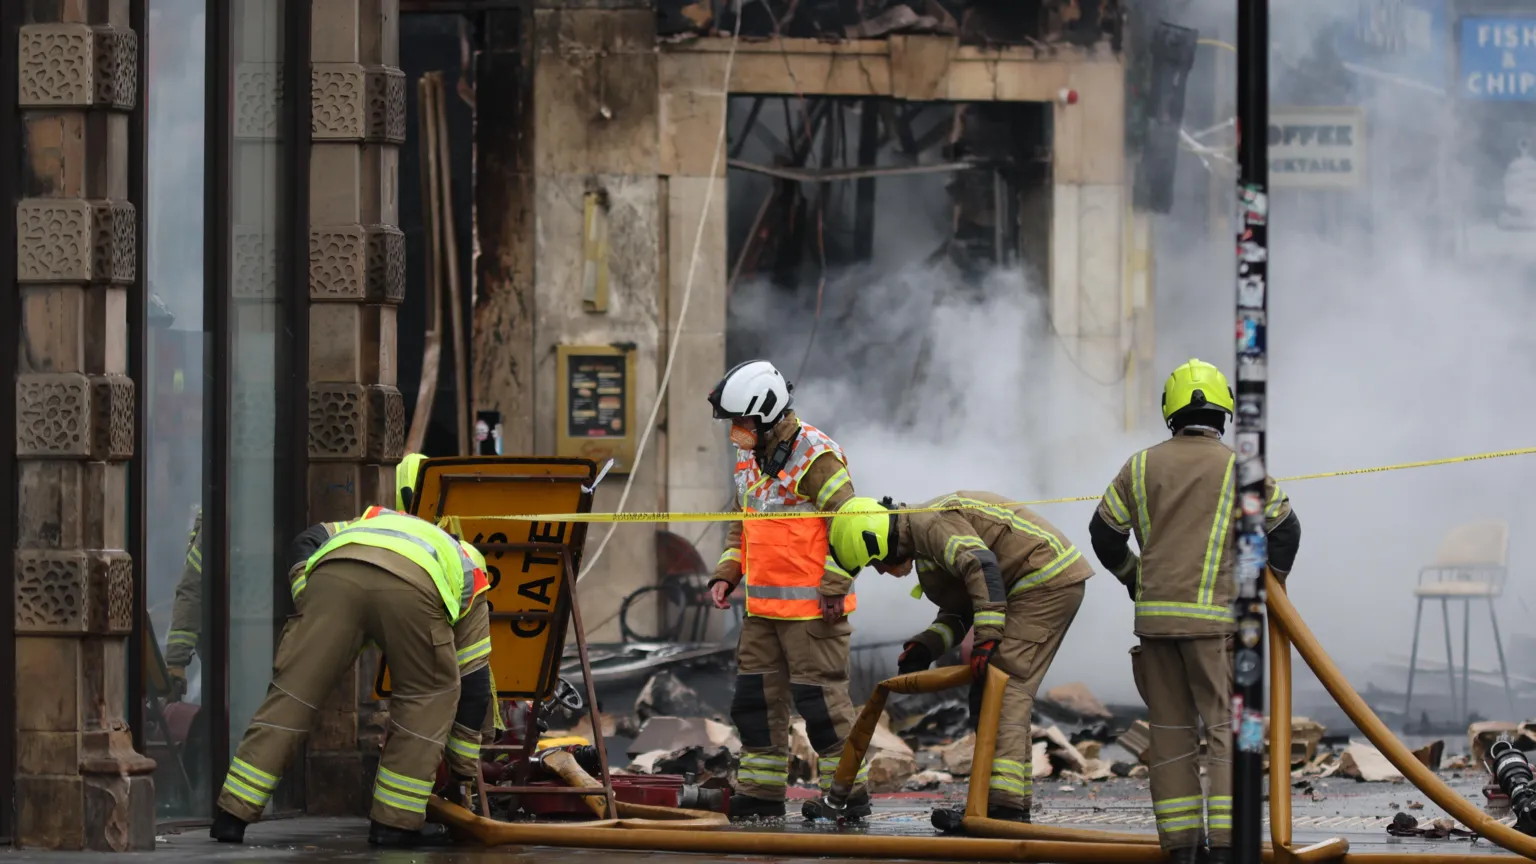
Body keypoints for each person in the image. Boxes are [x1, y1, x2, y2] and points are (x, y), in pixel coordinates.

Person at [1088, 359, 1301, 864]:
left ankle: (1182, 849)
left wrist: (1133, 576)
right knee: (1228, 731)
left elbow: (1103, 533)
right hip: (1216, 627)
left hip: (1156, 626)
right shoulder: (1241, 468)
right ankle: (1227, 847)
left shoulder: (1138, 466)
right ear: (1224, 411)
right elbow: (1286, 530)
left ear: (1171, 411)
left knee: (1170, 736)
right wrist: (1272, 591)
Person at [211, 482, 493, 847]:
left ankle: (232, 815)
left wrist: (307, 600)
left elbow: (305, 541)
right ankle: (393, 824)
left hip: (334, 576)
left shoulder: (374, 518)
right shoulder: (472, 568)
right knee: (428, 696)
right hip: (413, 591)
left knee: (291, 695)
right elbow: (473, 686)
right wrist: (462, 776)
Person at [828, 491, 1092, 823]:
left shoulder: (929, 525)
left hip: (1044, 580)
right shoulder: (923, 545)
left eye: (874, 563)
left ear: (880, 542)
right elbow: (960, 610)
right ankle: (998, 803)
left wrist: (988, 638)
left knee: (1004, 687)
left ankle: (1001, 809)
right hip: (1031, 583)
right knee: (991, 689)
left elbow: (980, 566)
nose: (880, 572)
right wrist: (926, 646)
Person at [704, 359, 869, 821]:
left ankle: (849, 796)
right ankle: (760, 793)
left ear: (765, 413)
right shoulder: (748, 455)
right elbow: (743, 524)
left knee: (822, 707)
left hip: (815, 613)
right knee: (754, 703)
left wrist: (836, 584)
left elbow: (852, 525)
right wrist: (726, 575)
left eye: (741, 421)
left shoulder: (817, 456)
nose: (735, 431)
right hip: (762, 612)